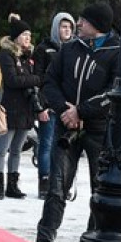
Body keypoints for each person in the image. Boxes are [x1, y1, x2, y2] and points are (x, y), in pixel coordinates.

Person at [34, 2, 120, 242]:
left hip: (98, 130)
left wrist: (82, 111)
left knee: (99, 190)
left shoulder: (117, 52)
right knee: (56, 188)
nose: (78, 24)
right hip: (65, 127)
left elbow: (114, 91)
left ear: (98, 25)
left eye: (84, 20)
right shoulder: (69, 48)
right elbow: (50, 81)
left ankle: (92, 241)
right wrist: (64, 110)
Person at [0, 17, 41, 200]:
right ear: (16, 37)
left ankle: (12, 185)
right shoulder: (6, 54)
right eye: (24, 35)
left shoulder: (28, 57)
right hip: (10, 108)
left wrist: (32, 79)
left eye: (29, 35)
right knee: (2, 149)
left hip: (25, 110)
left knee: (17, 150)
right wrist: (35, 79)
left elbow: (29, 78)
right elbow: (13, 80)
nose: (28, 38)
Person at [32, 12, 76, 199]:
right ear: (56, 28)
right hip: (49, 104)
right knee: (47, 144)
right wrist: (41, 105)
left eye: (69, 27)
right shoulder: (44, 49)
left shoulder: (75, 48)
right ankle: (45, 182)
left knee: (66, 146)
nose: (66, 30)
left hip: (68, 106)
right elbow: (38, 78)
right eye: (63, 26)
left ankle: (62, 184)